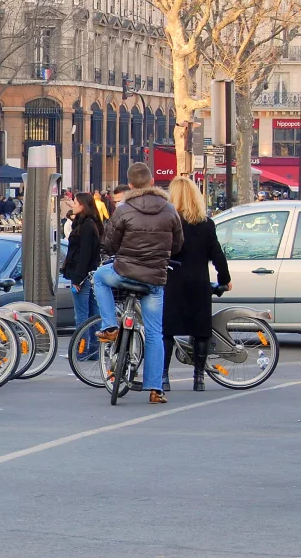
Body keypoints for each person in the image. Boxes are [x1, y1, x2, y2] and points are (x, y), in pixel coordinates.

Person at [93, 162, 183, 404]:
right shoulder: (169, 210)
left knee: (99, 277)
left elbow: (110, 244)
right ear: (152, 182)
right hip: (154, 278)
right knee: (155, 332)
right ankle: (155, 388)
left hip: (124, 272)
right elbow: (177, 245)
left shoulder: (124, 209)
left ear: (130, 185)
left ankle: (110, 325)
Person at [162, 177, 231, 392]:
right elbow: (217, 255)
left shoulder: (169, 222)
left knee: (167, 331)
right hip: (199, 282)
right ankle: (199, 377)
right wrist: (224, 279)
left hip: (173, 281)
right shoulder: (206, 224)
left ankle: (163, 376)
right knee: (201, 331)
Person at [62, 192, 104, 332]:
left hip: (82, 275)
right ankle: (93, 351)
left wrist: (77, 278)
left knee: (82, 317)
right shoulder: (90, 223)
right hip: (90, 274)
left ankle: (81, 351)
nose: (72, 205)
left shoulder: (86, 226)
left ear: (82, 205)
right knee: (93, 314)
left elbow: (84, 254)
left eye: (75, 202)